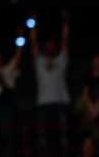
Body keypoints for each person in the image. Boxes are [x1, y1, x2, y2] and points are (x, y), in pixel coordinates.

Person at [30, 12, 71, 157]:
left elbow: (65, 42)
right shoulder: (39, 61)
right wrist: (33, 27)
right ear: (45, 47)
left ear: (55, 47)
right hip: (43, 104)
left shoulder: (62, 60)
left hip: (60, 102)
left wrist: (65, 24)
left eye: (52, 44)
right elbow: (34, 44)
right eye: (47, 44)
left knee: (63, 138)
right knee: (43, 139)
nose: (50, 46)